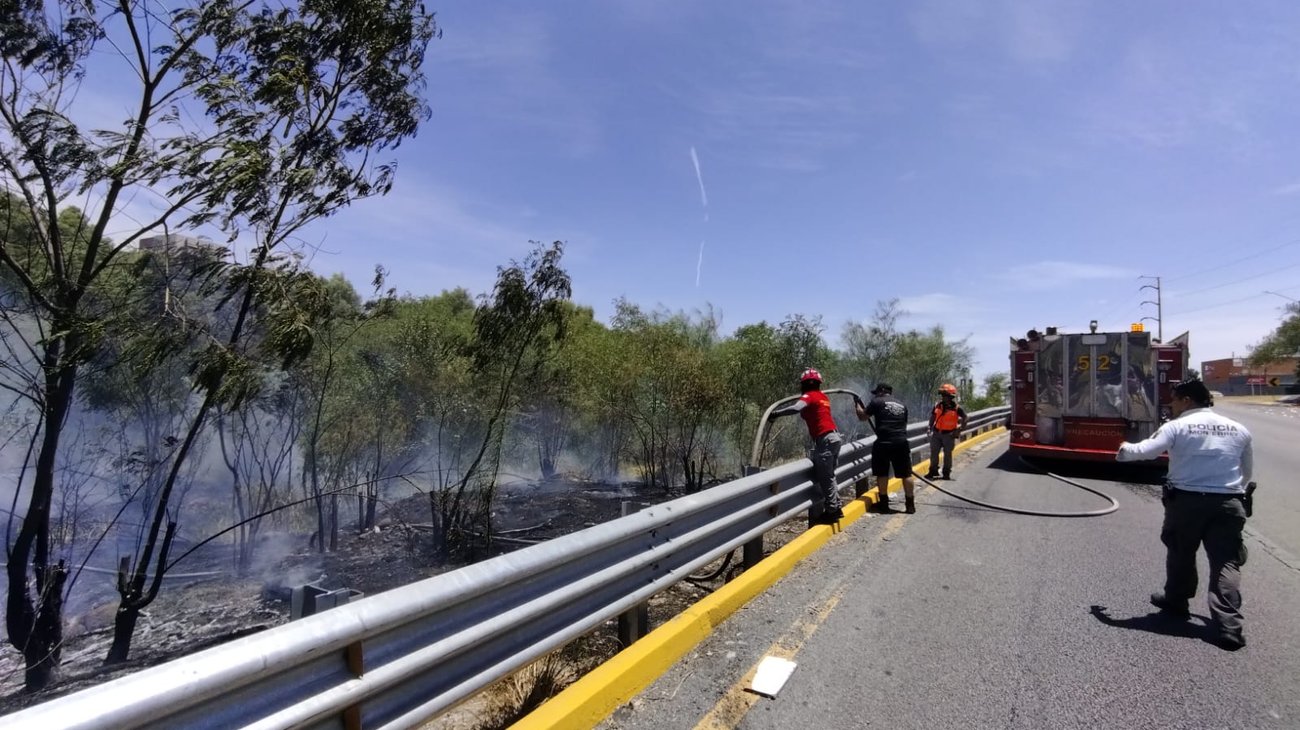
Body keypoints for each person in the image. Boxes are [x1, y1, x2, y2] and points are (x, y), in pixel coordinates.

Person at [1116, 379, 1254, 650]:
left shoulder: (1176, 426)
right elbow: (1245, 473)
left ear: (1187, 400)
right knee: (1226, 562)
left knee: (1181, 551)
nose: (1172, 405)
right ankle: (1229, 626)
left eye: (1175, 400)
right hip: (1229, 503)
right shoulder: (1239, 429)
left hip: (1187, 503)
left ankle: (1177, 601)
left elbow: (1145, 451)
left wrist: (1123, 449)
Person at [770, 368, 844, 524]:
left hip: (825, 439)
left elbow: (797, 408)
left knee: (825, 477)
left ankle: (832, 511)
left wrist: (777, 413)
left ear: (803, 384)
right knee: (829, 475)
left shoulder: (809, 396)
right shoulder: (823, 397)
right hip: (834, 437)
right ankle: (836, 507)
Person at [855, 383, 917, 514]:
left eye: (877, 392)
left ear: (881, 391)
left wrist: (857, 404)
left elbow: (862, 416)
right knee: (906, 474)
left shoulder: (877, 401)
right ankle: (910, 504)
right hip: (901, 441)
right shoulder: (902, 405)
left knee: (882, 473)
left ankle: (884, 505)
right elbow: (904, 423)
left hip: (883, 442)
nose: (876, 394)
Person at [924, 383, 968, 480]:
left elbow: (965, 417)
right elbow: (933, 416)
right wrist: (929, 427)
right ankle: (933, 471)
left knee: (947, 455)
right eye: (942, 395)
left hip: (949, 435)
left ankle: (946, 473)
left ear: (950, 396)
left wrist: (960, 429)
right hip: (936, 433)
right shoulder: (938, 405)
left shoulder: (957, 408)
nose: (942, 397)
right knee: (934, 453)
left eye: (944, 395)